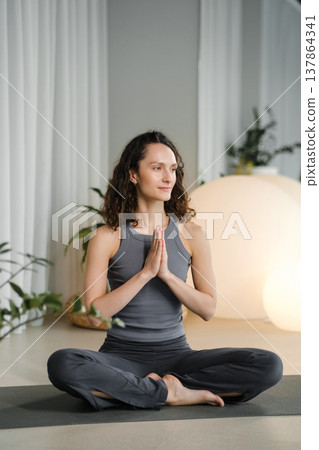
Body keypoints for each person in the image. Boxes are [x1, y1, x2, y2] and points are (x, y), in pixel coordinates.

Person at [47, 130, 283, 411]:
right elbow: (95, 317)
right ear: (133, 174)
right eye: (157, 168)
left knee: (269, 365)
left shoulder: (192, 234)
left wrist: (168, 276)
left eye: (172, 169)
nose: (168, 177)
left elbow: (208, 309)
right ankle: (173, 392)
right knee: (62, 363)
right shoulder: (107, 237)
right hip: (121, 356)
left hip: (178, 356)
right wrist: (145, 273)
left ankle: (144, 390)